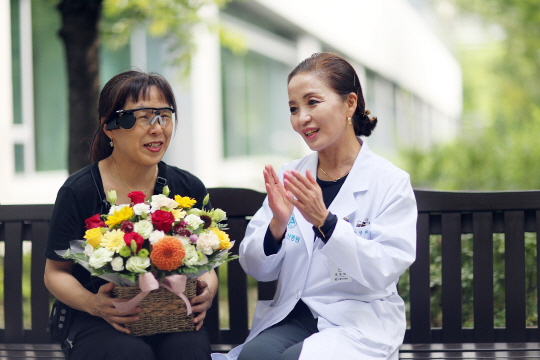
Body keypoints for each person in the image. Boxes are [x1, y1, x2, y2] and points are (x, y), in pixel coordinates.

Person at [222, 53, 417, 360]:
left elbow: (384, 269)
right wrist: (278, 225)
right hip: (294, 314)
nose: (302, 118)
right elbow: (256, 268)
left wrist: (326, 222)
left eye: (313, 102)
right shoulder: (290, 177)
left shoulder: (389, 182)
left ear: (350, 103)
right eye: (293, 108)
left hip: (358, 319)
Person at [44, 70, 218, 360]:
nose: (157, 128)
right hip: (97, 320)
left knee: (190, 351)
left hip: (172, 316)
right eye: (144, 116)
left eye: (165, 115)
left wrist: (207, 292)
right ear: (111, 126)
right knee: (129, 354)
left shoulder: (187, 188)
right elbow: (55, 273)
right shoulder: (80, 190)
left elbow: (207, 267)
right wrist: (94, 304)